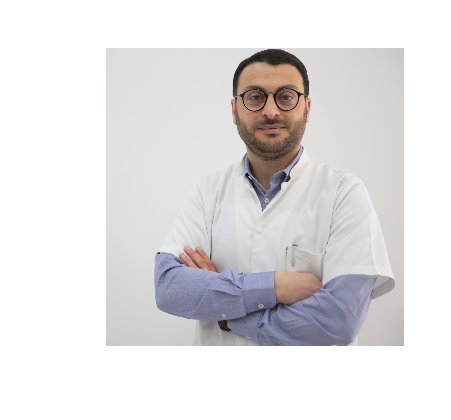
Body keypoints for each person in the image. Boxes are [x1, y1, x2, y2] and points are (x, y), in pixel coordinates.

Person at [154, 49, 395, 346]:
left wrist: (225, 314)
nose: (271, 111)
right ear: (234, 110)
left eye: (286, 96)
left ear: (306, 108)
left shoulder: (344, 193)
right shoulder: (208, 191)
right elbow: (169, 287)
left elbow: (337, 320)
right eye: (255, 97)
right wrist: (275, 286)